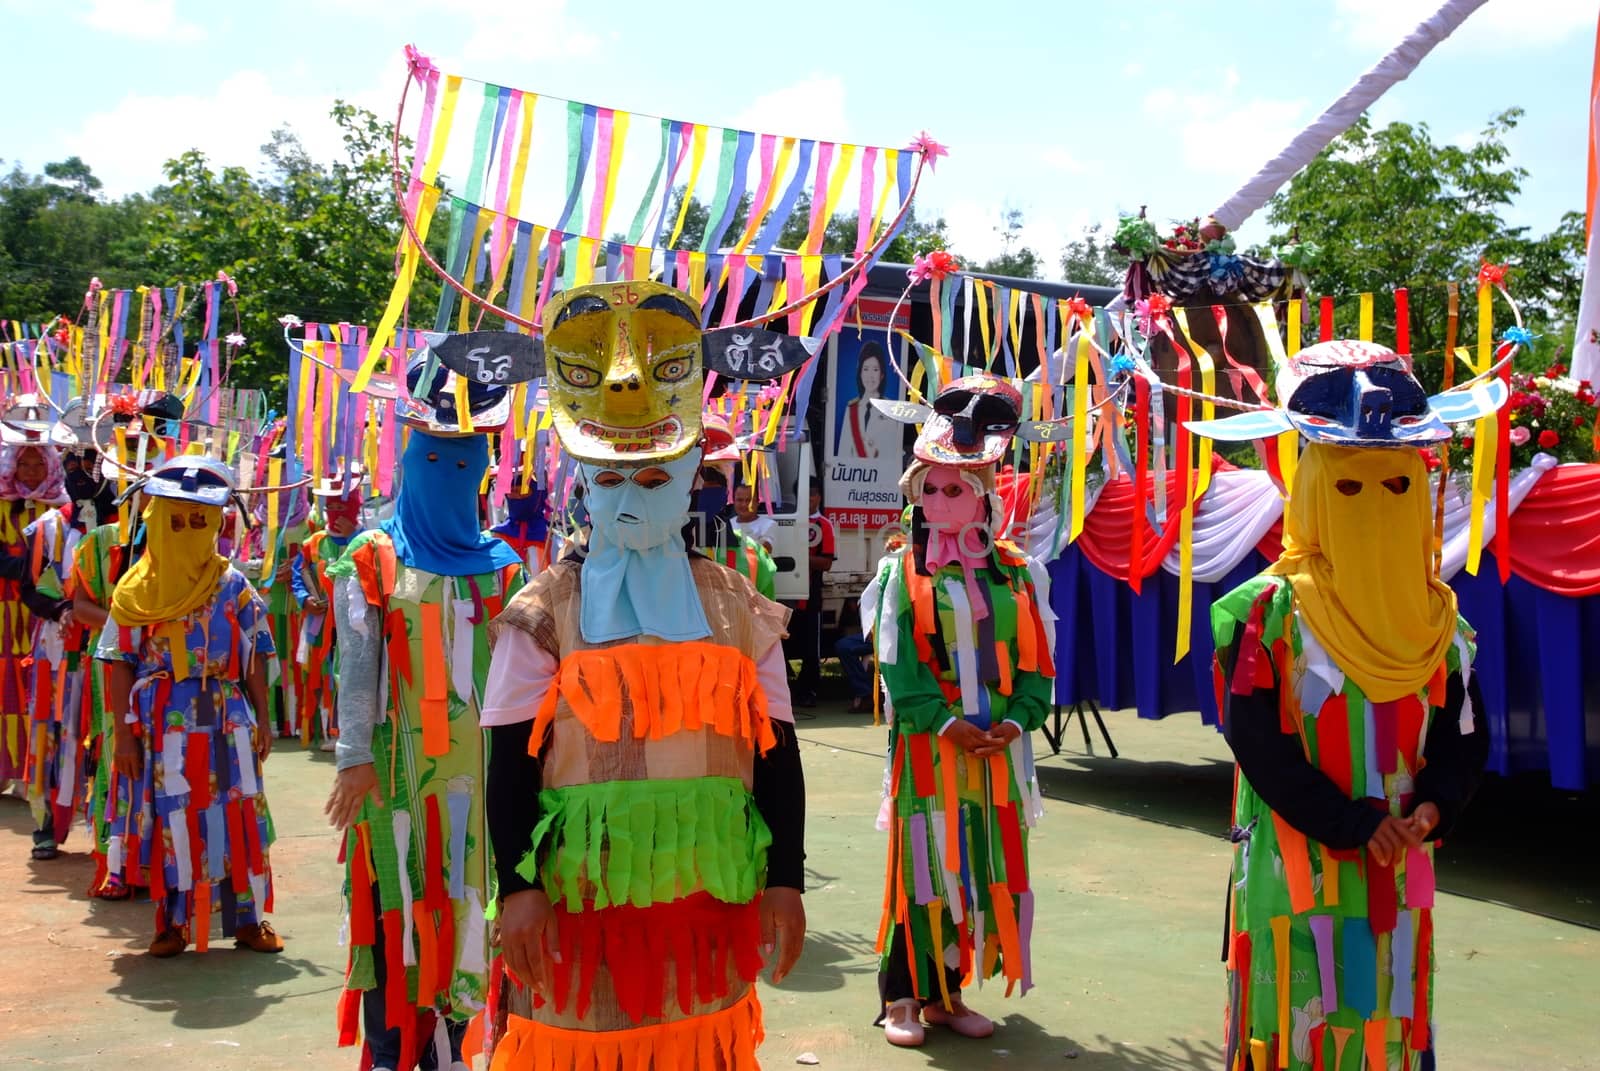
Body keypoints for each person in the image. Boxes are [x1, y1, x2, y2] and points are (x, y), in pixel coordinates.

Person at [481, 280, 806, 1071]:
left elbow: (778, 752)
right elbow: (509, 761)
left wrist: (786, 877)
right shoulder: (544, 609)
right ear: (584, 481)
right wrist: (516, 884)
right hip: (578, 902)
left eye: (655, 477)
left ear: (693, 471)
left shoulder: (738, 608)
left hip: (707, 898)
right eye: (610, 478)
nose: (630, 497)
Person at [1198, 340, 1496, 1071]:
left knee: (1390, 1023)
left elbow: (1466, 734)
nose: (1373, 508)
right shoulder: (1265, 616)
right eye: (1348, 488)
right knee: (1298, 1024)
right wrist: (1352, 824)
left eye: (1396, 486)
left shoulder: (1441, 624)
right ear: (1310, 491)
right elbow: (1259, 745)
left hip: (1398, 872)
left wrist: (1432, 806)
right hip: (1300, 873)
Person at [323, 359, 527, 1071]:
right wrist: (354, 755)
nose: (446, 469)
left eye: (462, 459)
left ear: (481, 471)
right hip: (393, 779)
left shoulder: (503, 565)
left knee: (469, 903)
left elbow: (521, 678)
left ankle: (454, 1046)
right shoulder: (372, 556)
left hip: (476, 779)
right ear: (409, 459)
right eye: (431, 456)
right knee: (395, 909)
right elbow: (357, 663)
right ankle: (391, 1051)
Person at [862, 374, 1056, 1048]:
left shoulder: (1017, 570)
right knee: (923, 865)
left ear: (983, 497)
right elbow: (897, 663)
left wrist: (1019, 718)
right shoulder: (900, 572)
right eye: (931, 488)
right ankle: (902, 997)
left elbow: (1036, 661)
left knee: (976, 863)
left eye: (955, 489)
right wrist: (945, 721)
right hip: (930, 749)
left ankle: (948, 992)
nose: (940, 501)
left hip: (998, 753)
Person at [99, 455, 282, 957]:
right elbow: (117, 663)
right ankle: (172, 923)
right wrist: (125, 735)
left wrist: (264, 717)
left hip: (226, 717)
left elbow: (255, 653)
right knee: (170, 815)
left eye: (199, 519)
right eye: (175, 518)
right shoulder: (134, 591)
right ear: (156, 518)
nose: (187, 529)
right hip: (160, 721)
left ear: (217, 523)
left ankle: (247, 919)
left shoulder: (233, 583)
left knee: (237, 814)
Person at [0, 438, 71, 798]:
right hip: (3, 613)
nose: (30, 472)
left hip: (41, 612)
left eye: (38, 465)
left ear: (50, 467)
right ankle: (4, 769)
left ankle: (38, 773)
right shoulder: (1, 506)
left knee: (40, 685)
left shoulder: (63, 509)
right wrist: (26, 567)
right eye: (23, 465)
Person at [291, 471, 366, 751]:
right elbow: (300, 575)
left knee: (352, 674)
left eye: (341, 505)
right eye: (330, 506)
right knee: (326, 675)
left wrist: (353, 538)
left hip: (355, 624)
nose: (335, 512)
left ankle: (352, 732)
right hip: (322, 626)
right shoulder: (314, 543)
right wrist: (304, 599)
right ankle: (328, 730)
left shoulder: (368, 539)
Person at [837, 343, 890, 460]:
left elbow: (893, 453)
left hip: (881, 474)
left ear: (882, 374)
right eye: (865, 369)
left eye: (875, 369)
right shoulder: (851, 409)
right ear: (860, 373)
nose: (870, 375)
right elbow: (843, 452)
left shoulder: (890, 410)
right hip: (853, 474)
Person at [730, 482, 777, 552]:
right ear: (734, 502)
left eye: (749, 500)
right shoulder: (727, 524)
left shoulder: (768, 525)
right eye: (740, 500)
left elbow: (764, 552)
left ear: (758, 502)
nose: (744, 505)